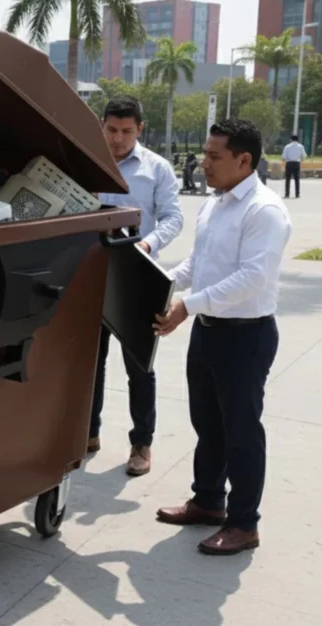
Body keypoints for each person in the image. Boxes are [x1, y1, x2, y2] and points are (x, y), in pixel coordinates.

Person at [153, 119, 292, 556]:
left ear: (244, 160)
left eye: (214, 156)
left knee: (241, 432)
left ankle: (244, 524)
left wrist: (188, 305)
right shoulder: (215, 204)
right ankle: (209, 501)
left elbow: (252, 278)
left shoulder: (264, 211)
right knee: (208, 424)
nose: (204, 163)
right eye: (205, 154)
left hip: (245, 336)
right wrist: (159, 283)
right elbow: (198, 262)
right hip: (208, 331)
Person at [92, 95, 184, 476]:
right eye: (111, 129)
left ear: (140, 129)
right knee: (90, 363)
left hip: (137, 276)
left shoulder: (156, 168)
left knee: (140, 367)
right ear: (102, 125)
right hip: (92, 272)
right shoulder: (88, 159)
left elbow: (174, 218)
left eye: (126, 131)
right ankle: (88, 433)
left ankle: (141, 443)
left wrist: (147, 244)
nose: (117, 139)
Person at [281, 134, 306, 199]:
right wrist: (300, 160)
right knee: (297, 179)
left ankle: (287, 194)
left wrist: (285, 160)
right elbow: (304, 156)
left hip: (289, 163)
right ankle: (297, 194)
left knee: (288, 179)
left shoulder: (287, 146)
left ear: (291, 139)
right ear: (297, 139)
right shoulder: (300, 146)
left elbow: (283, 157)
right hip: (297, 163)